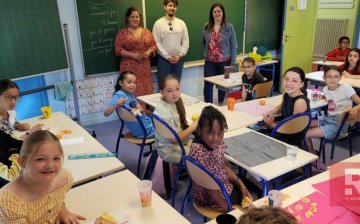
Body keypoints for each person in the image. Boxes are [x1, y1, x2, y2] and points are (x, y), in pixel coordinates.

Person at [0, 130, 86, 223]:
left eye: (56, 158)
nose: (50, 166)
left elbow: (56, 200)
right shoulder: (8, 202)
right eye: (41, 159)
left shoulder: (64, 180)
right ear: (22, 162)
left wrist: (62, 209)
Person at [189, 105, 253, 210]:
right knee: (256, 196)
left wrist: (241, 184)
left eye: (220, 132)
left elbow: (223, 165)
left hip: (222, 185)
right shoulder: (198, 151)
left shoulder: (216, 143)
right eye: (211, 133)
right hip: (211, 198)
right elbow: (209, 188)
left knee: (249, 188)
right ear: (199, 130)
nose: (216, 138)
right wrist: (228, 209)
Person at [153, 74, 197, 197]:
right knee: (201, 155)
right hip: (168, 149)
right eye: (169, 91)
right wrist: (193, 127)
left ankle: (200, 181)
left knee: (203, 146)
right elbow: (174, 140)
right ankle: (201, 188)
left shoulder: (173, 102)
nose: (175, 94)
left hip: (178, 142)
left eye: (177, 89)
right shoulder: (164, 111)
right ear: (161, 92)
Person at [306, 65, 360, 154]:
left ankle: (312, 157)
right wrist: (322, 96)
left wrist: (355, 108)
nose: (332, 79)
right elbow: (333, 97)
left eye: (336, 77)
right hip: (328, 118)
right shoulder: (325, 89)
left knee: (306, 134)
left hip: (339, 124)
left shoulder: (345, 88)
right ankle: (308, 151)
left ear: (340, 78)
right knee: (305, 124)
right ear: (324, 78)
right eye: (329, 76)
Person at [263, 67, 310, 148]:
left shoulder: (300, 102)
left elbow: (293, 128)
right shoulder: (286, 93)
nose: (288, 83)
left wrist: (271, 124)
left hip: (290, 137)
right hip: (282, 128)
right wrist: (273, 111)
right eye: (286, 79)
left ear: (302, 84)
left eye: (294, 81)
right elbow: (282, 106)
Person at [115, 7, 157, 97]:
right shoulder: (122, 33)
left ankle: (145, 111)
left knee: (146, 91)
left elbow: (154, 45)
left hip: (144, 68)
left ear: (140, 18)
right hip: (129, 67)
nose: (135, 19)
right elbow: (118, 49)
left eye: (137, 17)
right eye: (132, 17)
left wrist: (148, 52)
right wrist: (132, 55)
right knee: (131, 91)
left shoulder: (146, 32)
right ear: (127, 18)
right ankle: (132, 110)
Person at [202, 2, 238, 104]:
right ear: (212, 13)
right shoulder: (206, 27)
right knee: (208, 84)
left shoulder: (229, 27)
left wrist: (232, 63)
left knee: (223, 84)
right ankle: (208, 105)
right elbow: (203, 43)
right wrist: (205, 54)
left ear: (222, 13)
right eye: (215, 12)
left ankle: (220, 104)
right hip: (210, 62)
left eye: (219, 11)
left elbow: (234, 46)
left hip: (225, 62)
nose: (217, 14)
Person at [104, 71, 155, 138]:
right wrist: (116, 104)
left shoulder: (130, 94)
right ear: (121, 83)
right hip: (146, 130)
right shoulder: (119, 95)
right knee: (169, 128)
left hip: (144, 127)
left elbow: (142, 111)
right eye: (129, 82)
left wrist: (137, 109)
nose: (132, 85)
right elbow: (106, 113)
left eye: (134, 82)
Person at [152, 0, 189, 82]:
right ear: (165, 7)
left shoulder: (181, 23)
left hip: (178, 60)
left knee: (176, 85)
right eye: (170, 5)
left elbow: (186, 42)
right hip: (163, 60)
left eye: (174, 6)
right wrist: (167, 56)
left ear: (176, 8)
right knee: (163, 86)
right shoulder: (158, 24)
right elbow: (156, 43)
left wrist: (180, 55)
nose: (172, 8)